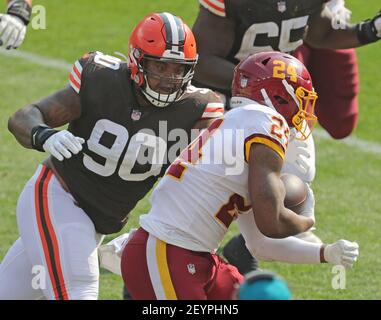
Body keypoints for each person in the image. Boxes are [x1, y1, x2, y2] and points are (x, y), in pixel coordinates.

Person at [0, 12, 224, 300]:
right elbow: (24, 116)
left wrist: (151, 233)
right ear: (137, 60)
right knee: (79, 289)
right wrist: (45, 135)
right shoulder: (101, 78)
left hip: (99, 222)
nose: (170, 77)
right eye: (160, 65)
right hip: (57, 196)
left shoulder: (197, 110)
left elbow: (201, 185)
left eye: (179, 69)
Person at [121, 52, 359, 300]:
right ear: (278, 95)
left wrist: (326, 253)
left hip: (192, 255)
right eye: (300, 98)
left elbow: (261, 245)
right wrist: (306, 219)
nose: (304, 111)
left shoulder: (241, 130)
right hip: (168, 252)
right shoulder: (267, 121)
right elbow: (272, 223)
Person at [191, 0, 380, 273]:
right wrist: (256, 82)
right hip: (229, 99)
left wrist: (372, 29)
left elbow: (321, 34)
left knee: (298, 175)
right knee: (220, 193)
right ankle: (157, 251)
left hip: (275, 99)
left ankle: (245, 248)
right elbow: (203, 59)